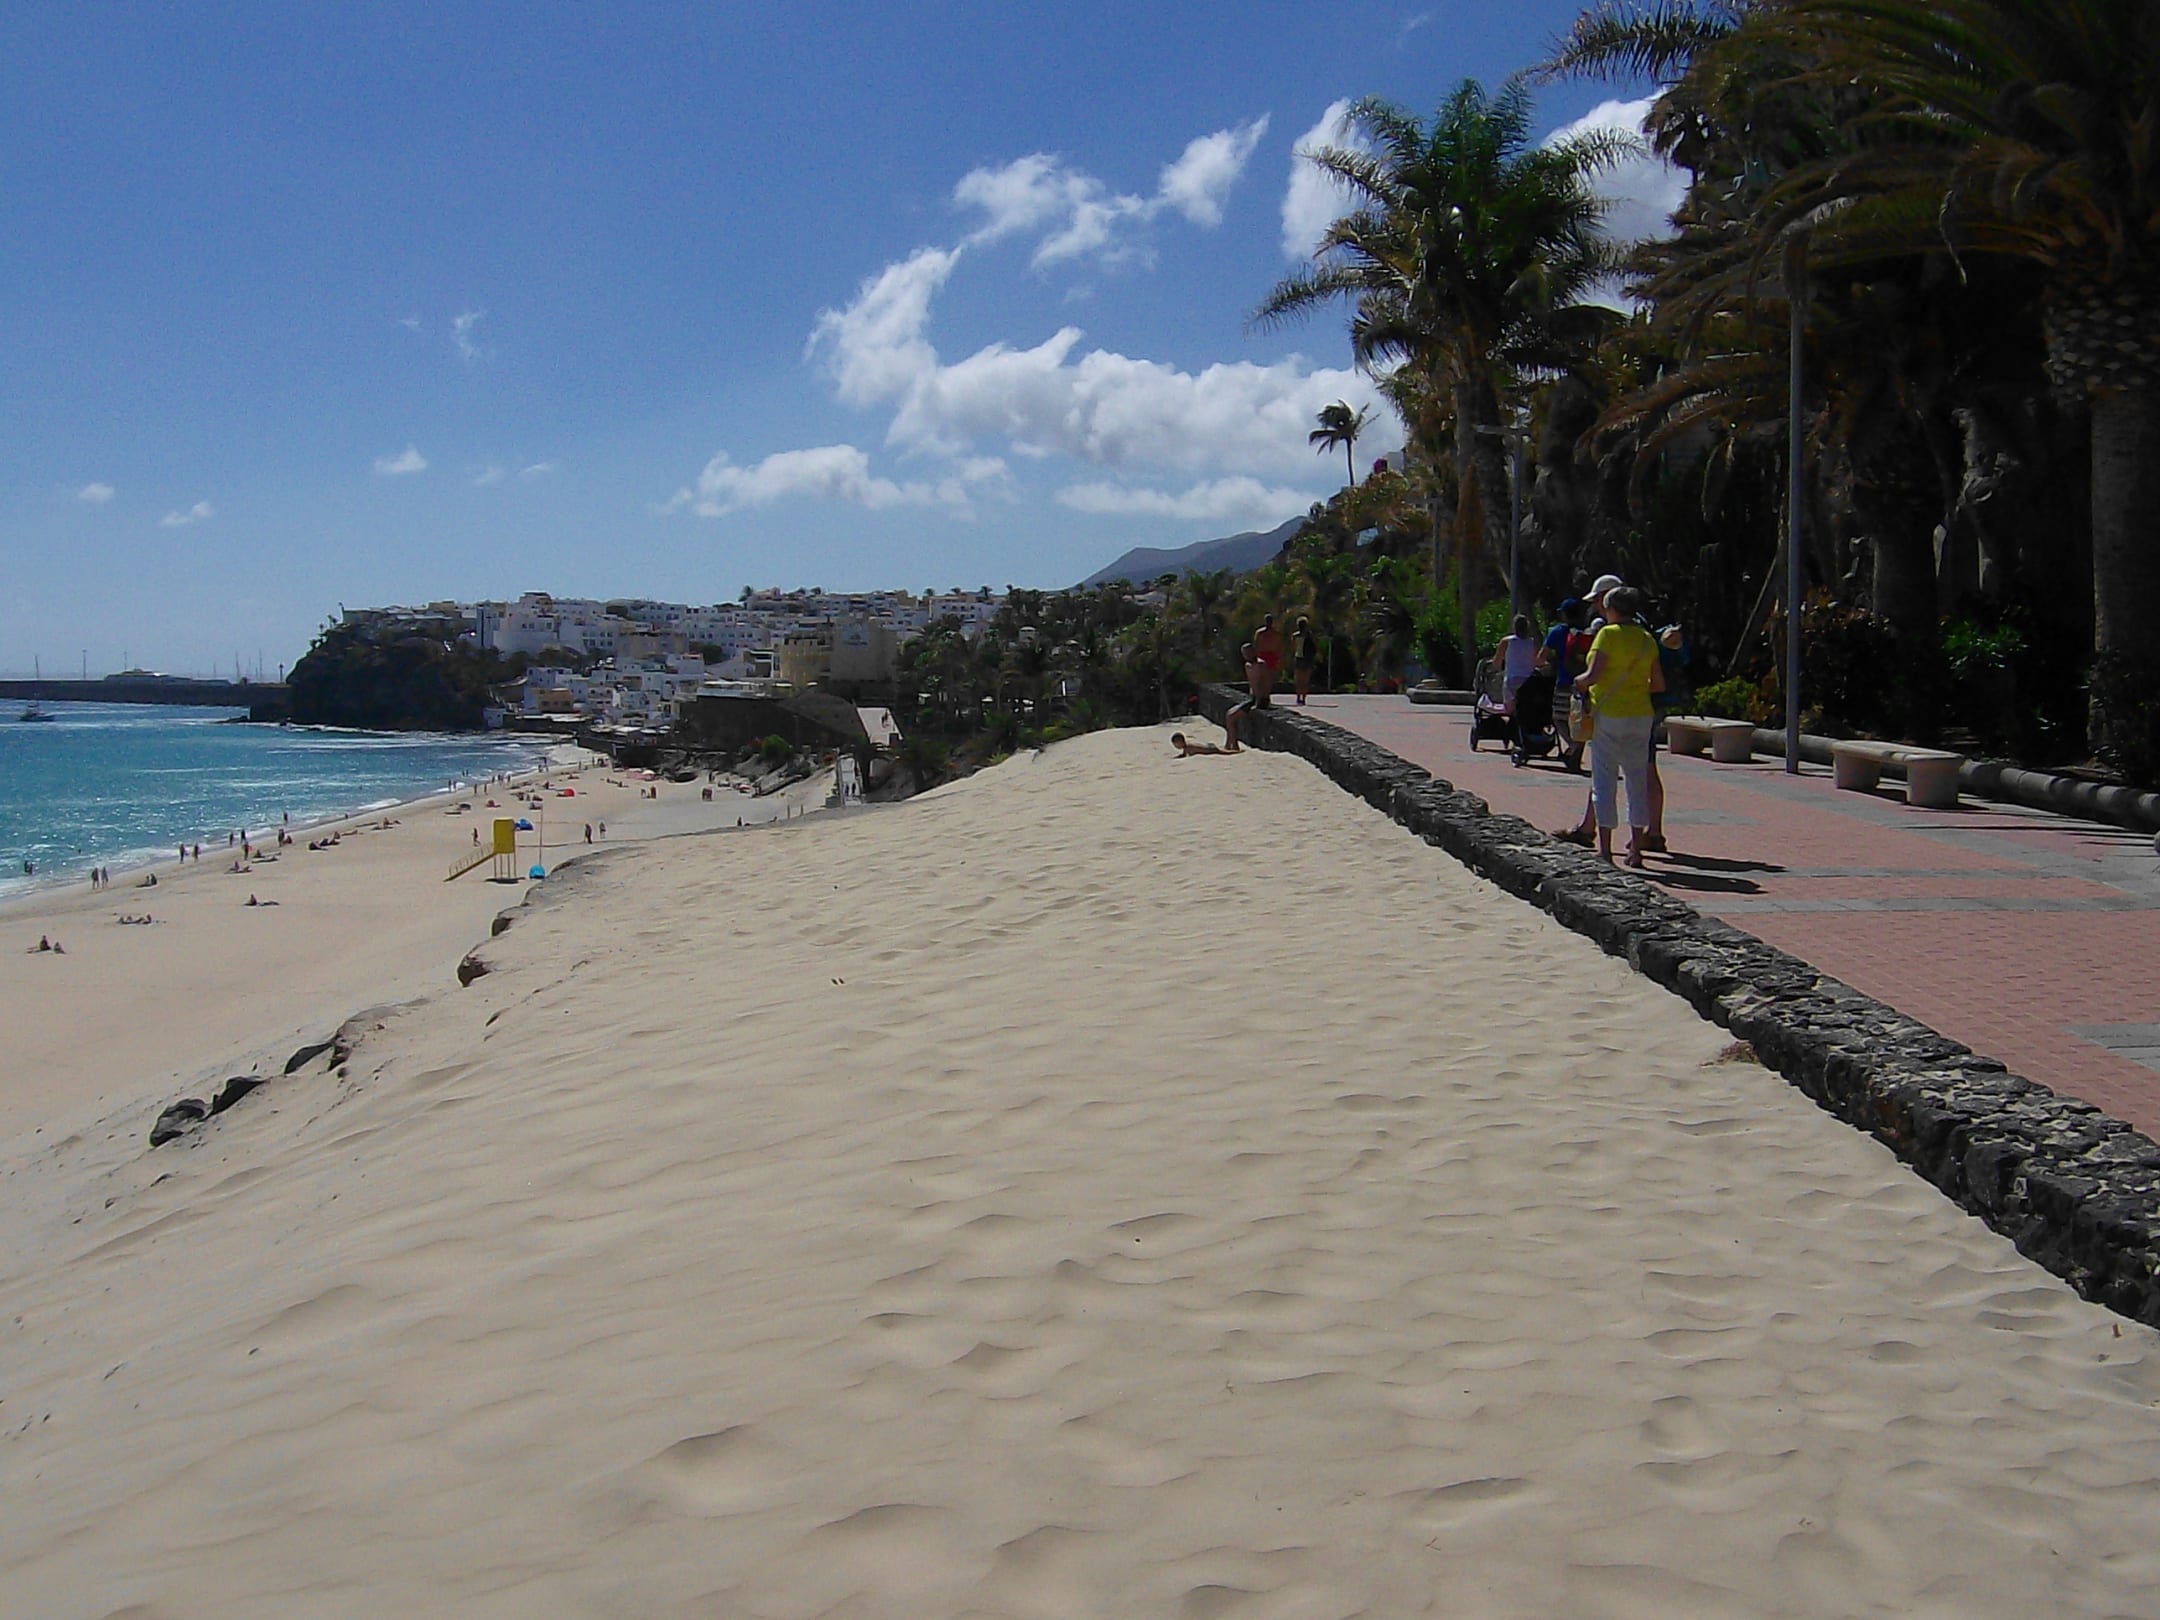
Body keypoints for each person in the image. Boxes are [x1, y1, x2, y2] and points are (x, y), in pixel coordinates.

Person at [1576, 586, 1665, 866]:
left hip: (1608, 714)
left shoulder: (1607, 634)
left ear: (1611, 608)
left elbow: (1593, 675)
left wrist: (1579, 682)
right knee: (1636, 780)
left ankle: (1605, 849)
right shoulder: (1646, 639)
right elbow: (1658, 684)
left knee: (1604, 780)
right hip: (1640, 715)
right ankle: (1636, 849)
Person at [1490, 614, 1541, 707]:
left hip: (1512, 680)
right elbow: (1536, 661)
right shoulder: (1532, 643)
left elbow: (1496, 662)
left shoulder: (1506, 641)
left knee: (1510, 708)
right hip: (1528, 680)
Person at [1253, 615, 1284, 706]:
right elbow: (1256, 644)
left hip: (1272, 656)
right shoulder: (1260, 633)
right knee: (1261, 677)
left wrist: (1279, 657)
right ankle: (1260, 695)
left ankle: (1266, 695)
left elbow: (1280, 646)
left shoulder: (1276, 633)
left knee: (1270, 677)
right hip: (1262, 656)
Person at [1292, 616, 1319, 704]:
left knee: (1298, 680)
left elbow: (1293, 647)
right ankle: (1303, 698)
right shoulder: (1310, 636)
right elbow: (1315, 647)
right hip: (1308, 658)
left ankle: (1298, 697)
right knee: (1305, 680)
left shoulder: (1295, 636)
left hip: (1298, 657)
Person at [1170, 731, 1239, 756]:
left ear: (1180, 742)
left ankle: (1237, 752)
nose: (1175, 746)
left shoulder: (1188, 748)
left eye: (1176, 744)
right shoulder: (1187, 745)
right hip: (1208, 746)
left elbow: (1185, 755)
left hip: (1210, 749)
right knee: (1225, 751)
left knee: (1226, 753)